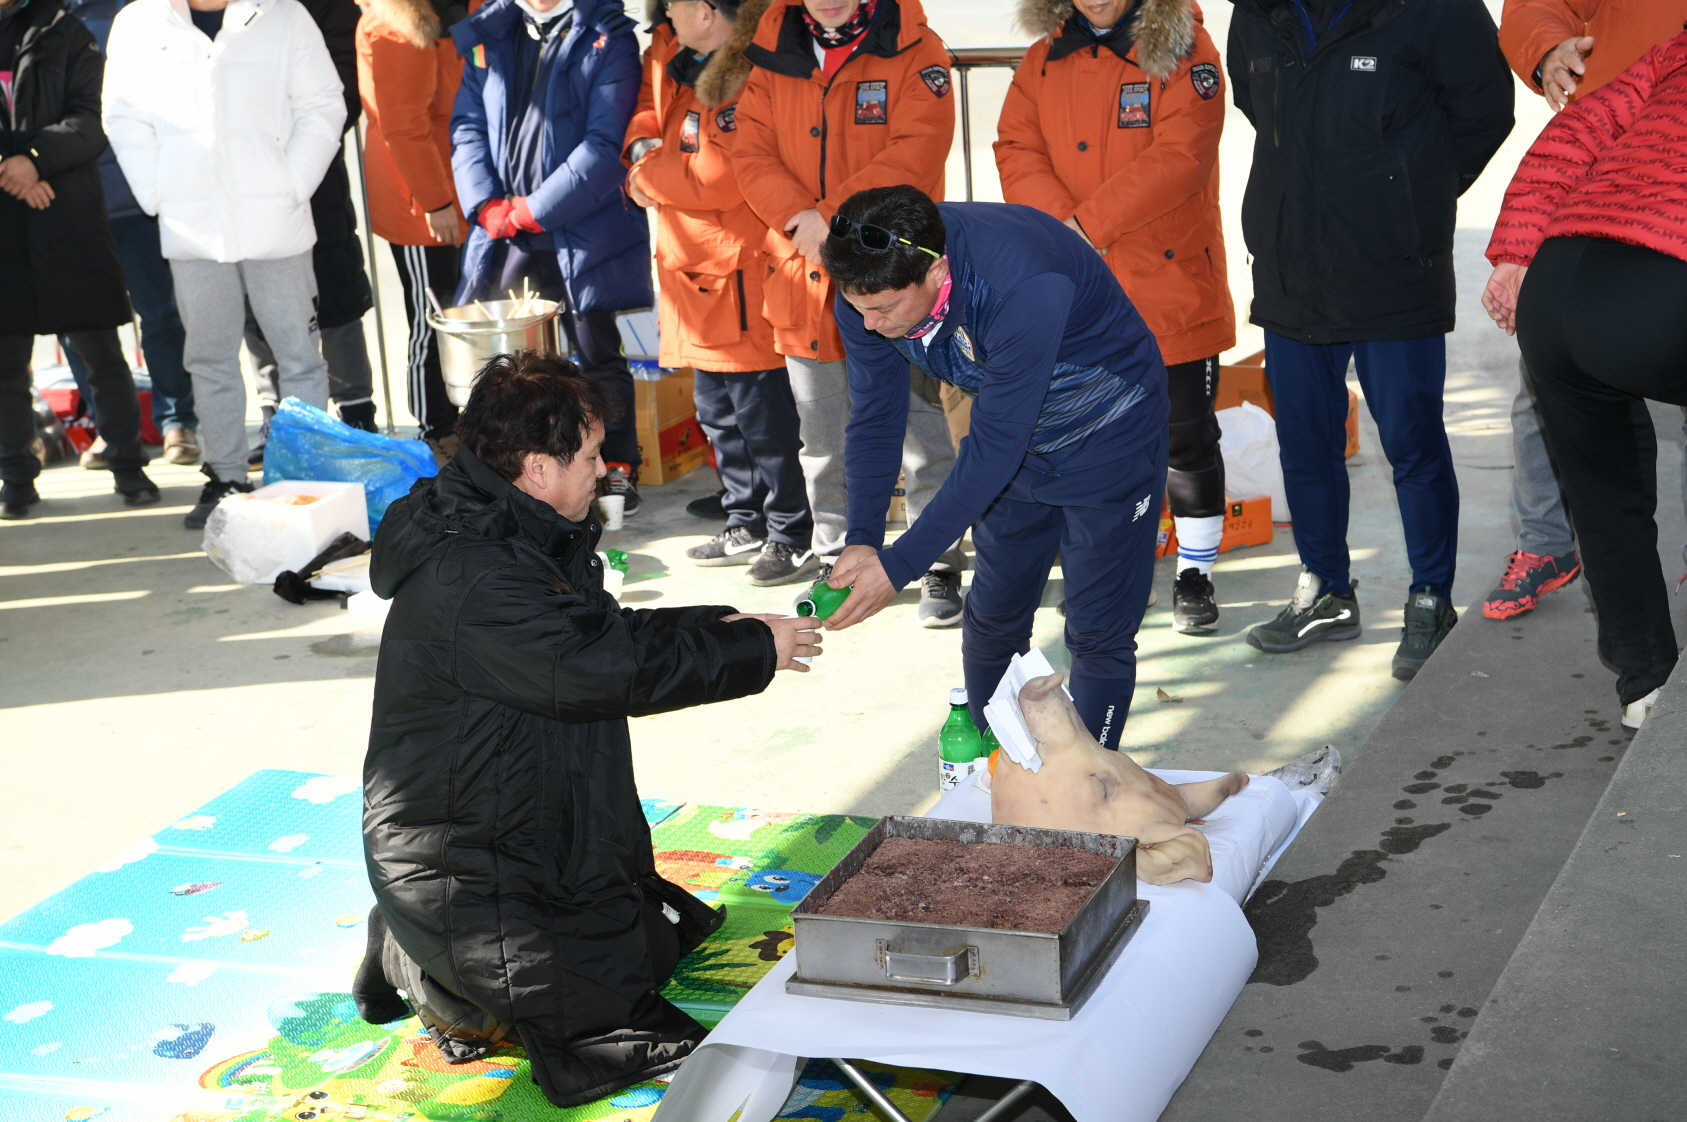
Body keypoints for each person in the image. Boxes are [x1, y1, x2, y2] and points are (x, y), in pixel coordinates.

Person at [356, 349, 821, 1105]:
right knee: (604, 1015)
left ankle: (435, 955)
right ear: (537, 468)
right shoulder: (479, 575)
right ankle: (435, 971)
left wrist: (726, 624)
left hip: (514, 824)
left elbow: (595, 635)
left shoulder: (508, 523)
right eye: (593, 455)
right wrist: (747, 651)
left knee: (651, 937)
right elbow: (603, 670)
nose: (607, 469)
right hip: (465, 859)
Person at [820, 186, 1168, 750]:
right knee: (992, 619)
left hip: (1110, 433)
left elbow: (994, 451)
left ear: (935, 272)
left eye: (883, 309)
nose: (868, 325)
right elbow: (877, 418)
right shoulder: (868, 284)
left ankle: (1091, 787)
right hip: (1016, 441)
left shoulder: (1021, 282)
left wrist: (901, 563)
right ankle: (994, 765)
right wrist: (863, 539)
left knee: (1097, 631)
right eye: (858, 307)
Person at [1226, 0, 1513, 681]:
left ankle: (1429, 596)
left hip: (1392, 263)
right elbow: (1256, 106)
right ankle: (1324, 588)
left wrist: (1409, 192)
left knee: (1410, 441)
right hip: (1292, 261)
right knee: (1304, 440)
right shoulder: (1256, 12)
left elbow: (1484, 108)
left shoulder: (1432, 8)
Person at [995, 0, 1235, 635]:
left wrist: (1084, 226)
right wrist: (1060, 226)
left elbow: (1182, 155)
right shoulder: (1045, 54)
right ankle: (1109, 572)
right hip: (1074, 292)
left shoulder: (1186, 49)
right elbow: (1015, 145)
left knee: (1184, 436)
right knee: (1093, 445)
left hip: (1168, 281)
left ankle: (1196, 571)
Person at [732, 0, 968, 627]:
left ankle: (937, 559)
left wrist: (832, 219)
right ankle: (834, 552)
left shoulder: (917, 48)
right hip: (798, 269)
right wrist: (799, 221)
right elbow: (748, 152)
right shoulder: (770, 53)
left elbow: (916, 150)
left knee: (923, 429)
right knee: (822, 431)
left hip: (892, 280)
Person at [1482, 31, 1687, 730]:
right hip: (1657, 277)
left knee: (1603, 495)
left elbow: (1573, 132)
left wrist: (1513, 254)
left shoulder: (1669, 53)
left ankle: (1643, 684)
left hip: (1559, 289)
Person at [104, 0, 345, 530]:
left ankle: (306, 481)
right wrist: (157, 191)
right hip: (192, 229)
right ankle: (227, 477)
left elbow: (324, 103)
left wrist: (292, 183)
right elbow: (122, 113)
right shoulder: (139, 23)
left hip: (277, 225)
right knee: (209, 358)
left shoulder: (283, 14)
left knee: (299, 358)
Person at [626, 0, 817, 586]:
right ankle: (745, 516)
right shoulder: (685, 63)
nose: (661, 15)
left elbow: (716, 175)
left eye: (673, 6)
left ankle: (789, 529)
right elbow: (654, 130)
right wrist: (649, 159)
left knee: (763, 416)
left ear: (708, 12)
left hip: (736, 273)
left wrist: (642, 176)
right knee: (716, 412)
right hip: (693, 272)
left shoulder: (743, 77)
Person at [450, 0, 650, 513]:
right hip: (508, 227)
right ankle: (513, 478)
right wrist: (486, 203)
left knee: (596, 353)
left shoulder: (609, 34)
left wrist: (533, 210)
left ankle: (616, 467)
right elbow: (467, 126)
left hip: (584, 226)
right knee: (511, 369)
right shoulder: (489, 33)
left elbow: (606, 144)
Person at [0, 0, 159, 519]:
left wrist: (34, 161)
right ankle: (16, 476)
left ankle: (127, 464)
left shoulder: (63, 30)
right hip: (6, 219)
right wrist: (12, 168)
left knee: (101, 354)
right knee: (5, 364)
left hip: (67, 213)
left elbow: (93, 119)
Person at [59, 0, 200, 469]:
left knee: (161, 315)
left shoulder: (140, 12)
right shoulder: (38, 18)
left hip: (137, 198)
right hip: (66, 203)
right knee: (79, 328)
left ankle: (178, 421)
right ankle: (111, 429)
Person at [245, 0, 380, 466]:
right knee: (257, 303)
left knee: (336, 294)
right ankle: (275, 415)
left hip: (313, 171)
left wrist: (282, 135)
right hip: (241, 180)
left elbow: (344, 93)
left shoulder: (325, 6)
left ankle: (357, 414)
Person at [357, 0, 469, 463]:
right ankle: (435, 428)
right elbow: (403, 125)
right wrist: (435, 201)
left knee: (458, 312)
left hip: (456, 185)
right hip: (422, 198)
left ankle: (461, 421)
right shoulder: (398, 23)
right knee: (433, 316)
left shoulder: (455, 9)